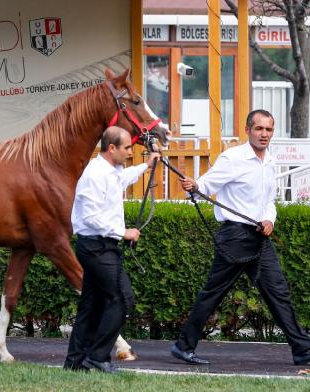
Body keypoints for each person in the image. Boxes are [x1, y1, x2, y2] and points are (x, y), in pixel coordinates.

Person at [171, 109, 310, 366]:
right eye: (259, 129)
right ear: (248, 130)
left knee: (278, 293)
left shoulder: (270, 161)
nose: (264, 134)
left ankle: (302, 349)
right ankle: (183, 346)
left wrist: (269, 219)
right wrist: (195, 185)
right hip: (234, 237)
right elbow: (207, 185)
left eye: (268, 129)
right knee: (213, 293)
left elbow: (269, 200)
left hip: (259, 238)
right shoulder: (232, 158)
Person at [64, 126, 160, 373]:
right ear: (111, 148)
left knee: (91, 306)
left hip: (100, 246)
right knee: (122, 298)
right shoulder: (95, 174)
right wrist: (123, 232)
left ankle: (74, 363)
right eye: (127, 147)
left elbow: (122, 179)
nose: (131, 151)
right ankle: (97, 356)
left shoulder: (111, 170)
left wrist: (147, 165)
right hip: (98, 247)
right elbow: (92, 217)